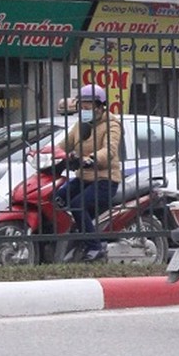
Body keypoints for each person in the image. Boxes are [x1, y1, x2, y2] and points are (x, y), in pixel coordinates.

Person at [58, 83, 122, 262]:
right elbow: (64, 145)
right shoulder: (81, 125)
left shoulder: (112, 125)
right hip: (83, 177)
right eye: (82, 105)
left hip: (104, 179)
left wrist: (92, 158)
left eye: (89, 105)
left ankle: (95, 247)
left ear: (100, 106)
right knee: (58, 198)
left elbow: (109, 150)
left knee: (78, 204)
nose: (85, 109)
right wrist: (47, 154)